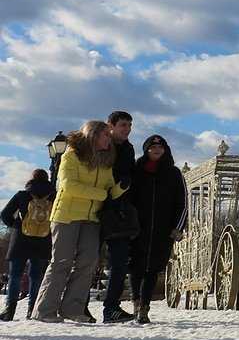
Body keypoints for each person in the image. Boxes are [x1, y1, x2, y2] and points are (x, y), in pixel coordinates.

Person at [33, 120, 129, 323]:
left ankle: (73, 309)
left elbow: (110, 190)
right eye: (105, 135)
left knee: (88, 263)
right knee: (61, 262)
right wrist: (103, 194)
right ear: (93, 135)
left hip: (92, 217)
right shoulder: (72, 155)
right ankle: (44, 310)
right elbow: (69, 186)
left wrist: (121, 188)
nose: (108, 139)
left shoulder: (106, 159)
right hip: (66, 216)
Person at [126, 135, 187, 324]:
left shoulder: (174, 173)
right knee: (135, 267)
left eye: (160, 147)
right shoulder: (136, 171)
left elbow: (182, 203)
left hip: (163, 230)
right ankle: (136, 302)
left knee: (152, 269)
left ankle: (144, 307)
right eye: (152, 147)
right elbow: (126, 199)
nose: (156, 150)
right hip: (138, 228)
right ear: (146, 150)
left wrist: (177, 228)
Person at [1, 169, 55, 321]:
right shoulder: (53, 195)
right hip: (43, 239)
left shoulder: (22, 195)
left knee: (15, 275)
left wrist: (16, 225)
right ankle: (33, 309)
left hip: (21, 239)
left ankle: (9, 310)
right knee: (36, 275)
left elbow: (5, 214)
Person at [101, 110, 138, 324]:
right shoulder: (100, 144)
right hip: (95, 205)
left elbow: (129, 176)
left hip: (117, 210)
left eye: (129, 126)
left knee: (120, 260)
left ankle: (111, 308)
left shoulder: (129, 148)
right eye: (123, 125)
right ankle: (79, 307)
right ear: (111, 125)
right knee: (85, 260)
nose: (127, 130)